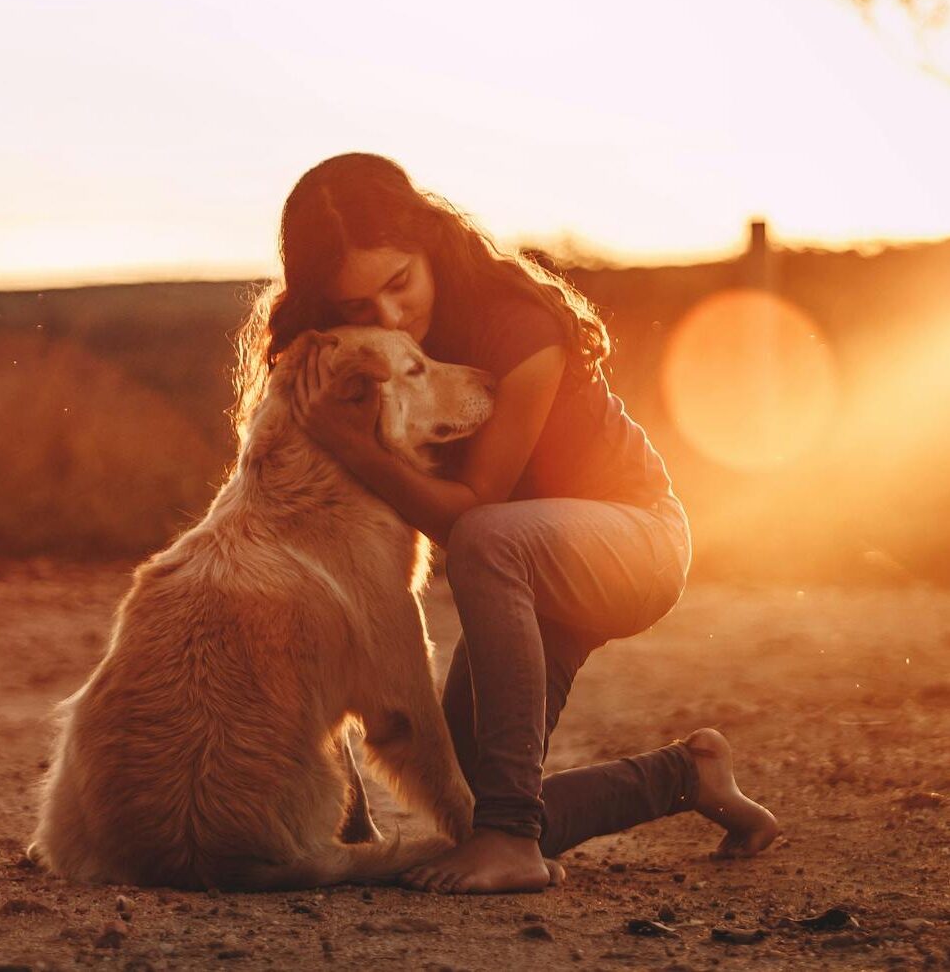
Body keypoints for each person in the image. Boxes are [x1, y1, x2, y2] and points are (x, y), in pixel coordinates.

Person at [232, 152, 779, 894]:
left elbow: (473, 512)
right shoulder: (351, 355)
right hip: (525, 565)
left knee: (490, 536)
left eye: (399, 283)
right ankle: (686, 776)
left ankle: (512, 845)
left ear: (429, 241)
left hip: (632, 539)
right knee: (463, 806)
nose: (390, 317)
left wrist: (352, 446)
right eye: (359, 306)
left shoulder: (516, 325)